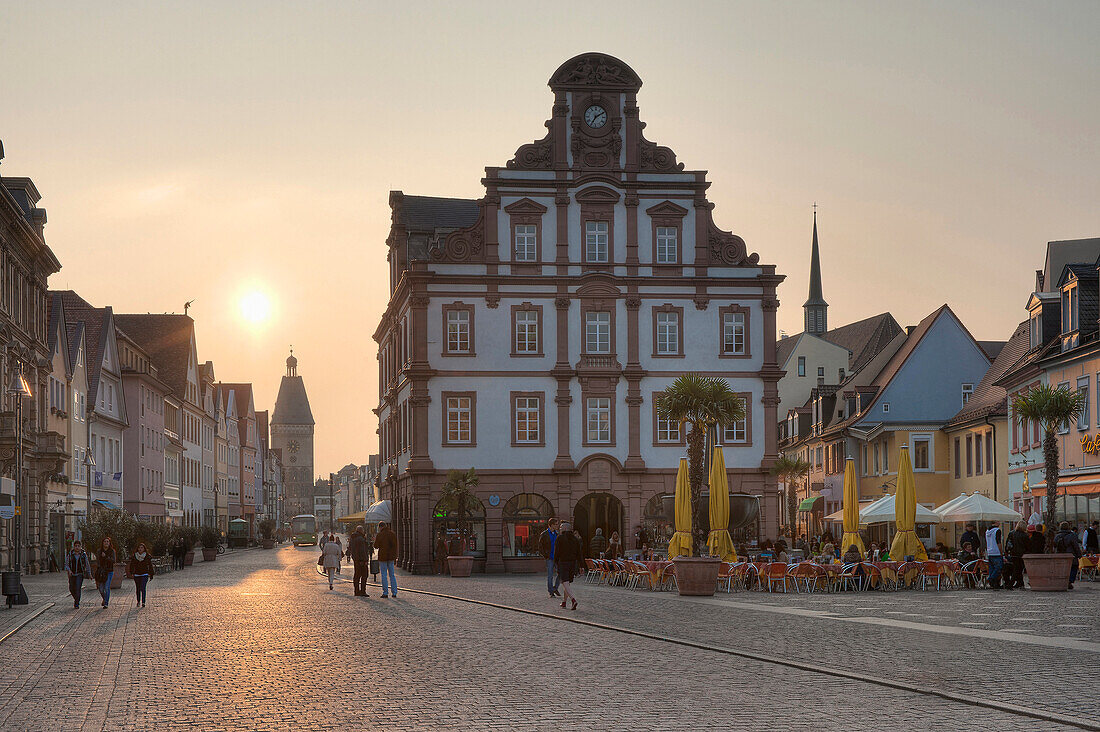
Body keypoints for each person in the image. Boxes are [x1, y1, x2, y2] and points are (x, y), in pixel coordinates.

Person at [554, 520, 582, 610]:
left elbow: (556, 552)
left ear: (564, 529)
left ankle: (573, 600)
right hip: (572, 563)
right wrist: (581, 566)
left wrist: (555, 562)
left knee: (565, 582)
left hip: (563, 562)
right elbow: (579, 554)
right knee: (567, 583)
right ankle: (564, 602)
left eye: (561, 527)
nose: (560, 529)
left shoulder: (560, 538)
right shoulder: (575, 539)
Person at [1053, 521, 1084, 589]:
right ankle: (1069, 581)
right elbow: (1075, 546)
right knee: (1073, 567)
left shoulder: (1057, 536)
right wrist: (1079, 555)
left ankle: (1064, 581)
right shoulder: (1072, 535)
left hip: (1060, 555)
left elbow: (1054, 546)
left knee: (1062, 569)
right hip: (1071, 555)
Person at [374, 521, 399, 598]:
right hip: (391, 557)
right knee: (392, 574)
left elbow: (376, 546)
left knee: (384, 575)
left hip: (383, 557)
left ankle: (385, 592)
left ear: (380, 527)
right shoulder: (392, 534)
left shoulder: (380, 535)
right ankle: (394, 592)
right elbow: (395, 545)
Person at [64, 540, 91, 609]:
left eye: (78, 546)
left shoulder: (83, 555)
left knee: (78, 588)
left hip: (80, 574)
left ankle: (76, 603)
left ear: (80, 547)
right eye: (76, 546)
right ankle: (76, 598)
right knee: (71, 588)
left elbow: (87, 564)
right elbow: (66, 564)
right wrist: (69, 571)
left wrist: (89, 573)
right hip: (72, 574)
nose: (77, 547)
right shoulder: (70, 554)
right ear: (74, 547)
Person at [538, 518, 560, 598]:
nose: (557, 526)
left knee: (560, 573)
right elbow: (540, 547)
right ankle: (551, 591)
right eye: (556, 524)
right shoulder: (544, 534)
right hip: (549, 558)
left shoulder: (557, 534)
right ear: (551, 525)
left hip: (557, 558)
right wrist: (546, 556)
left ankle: (555, 588)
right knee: (550, 575)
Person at [1003, 521, 1029, 590]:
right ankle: (1010, 584)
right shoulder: (1025, 535)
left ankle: (1020, 583)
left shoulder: (1011, 533)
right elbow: (1028, 546)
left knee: (1017, 569)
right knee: (1017, 570)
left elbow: (1007, 543)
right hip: (1021, 554)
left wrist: (1006, 551)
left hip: (1013, 554)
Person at [128, 541, 154, 607]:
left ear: (144, 549)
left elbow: (150, 565)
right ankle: (138, 601)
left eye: (142, 548)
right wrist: (131, 572)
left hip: (144, 574)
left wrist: (151, 574)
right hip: (137, 574)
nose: (140, 549)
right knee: (138, 588)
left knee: (143, 587)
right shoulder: (135, 556)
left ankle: (143, 602)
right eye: (139, 548)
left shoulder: (147, 556)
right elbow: (132, 565)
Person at [348, 525, 371, 597]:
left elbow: (351, 549)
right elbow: (363, 551)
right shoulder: (361, 539)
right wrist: (365, 560)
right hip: (362, 560)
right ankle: (363, 591)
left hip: (356, 559)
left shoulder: (352, 538)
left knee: (357, 575)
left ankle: (356, 591)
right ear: (361, 531)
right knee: (364, 575)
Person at [95, 536, 117, 608]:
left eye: (107, 541)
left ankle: (106, 603)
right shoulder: (99, 551)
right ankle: (105, 599)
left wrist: (106, 557)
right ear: (102, 543)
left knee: (106, 587)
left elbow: (113, 561)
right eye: (105, 541)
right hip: (101, 571)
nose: (106, 543)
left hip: (109, 571)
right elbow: (98, 561)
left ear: (109, 543)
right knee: (101, 588)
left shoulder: (112, 551)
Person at [985, 521, 1004, 589]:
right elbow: (998, 542)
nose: (1000, 523)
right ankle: (991, 578)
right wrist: (1001, 552)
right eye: (998, 521)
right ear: (996, 522)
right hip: (996, 551)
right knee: (998, 567)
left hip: (990, 551)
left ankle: (994, 584)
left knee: (992, 568)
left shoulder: (987, 531)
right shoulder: (997, 530)